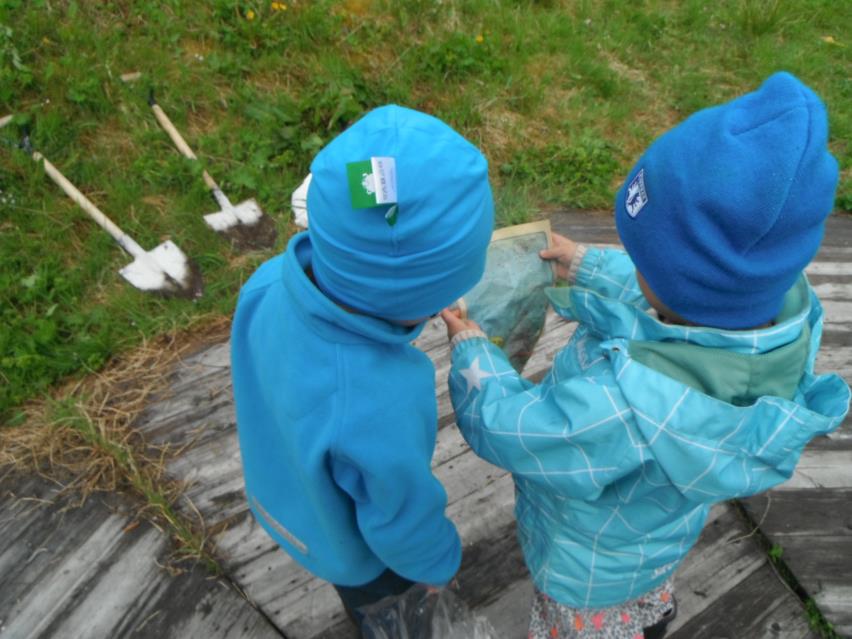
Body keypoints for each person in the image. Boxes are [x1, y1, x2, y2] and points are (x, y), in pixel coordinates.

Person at [440, 72, 851, 639]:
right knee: (639, 589)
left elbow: (515, 430)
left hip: (585, 572)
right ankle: (643, 615)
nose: (633, 265)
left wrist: (472, 354)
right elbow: (675, 301)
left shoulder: (619, 409)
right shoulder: (773, 320)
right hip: (647, 538)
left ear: (682, 285)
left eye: (641, 258)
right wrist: (585, 264)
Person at [231, 105, 494, 630]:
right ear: (416, 295)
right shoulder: (380, 395)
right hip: (362, 556)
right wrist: (436, 564)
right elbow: (399, 513)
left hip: (285, 493)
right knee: (392, 616)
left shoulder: (265, 282)